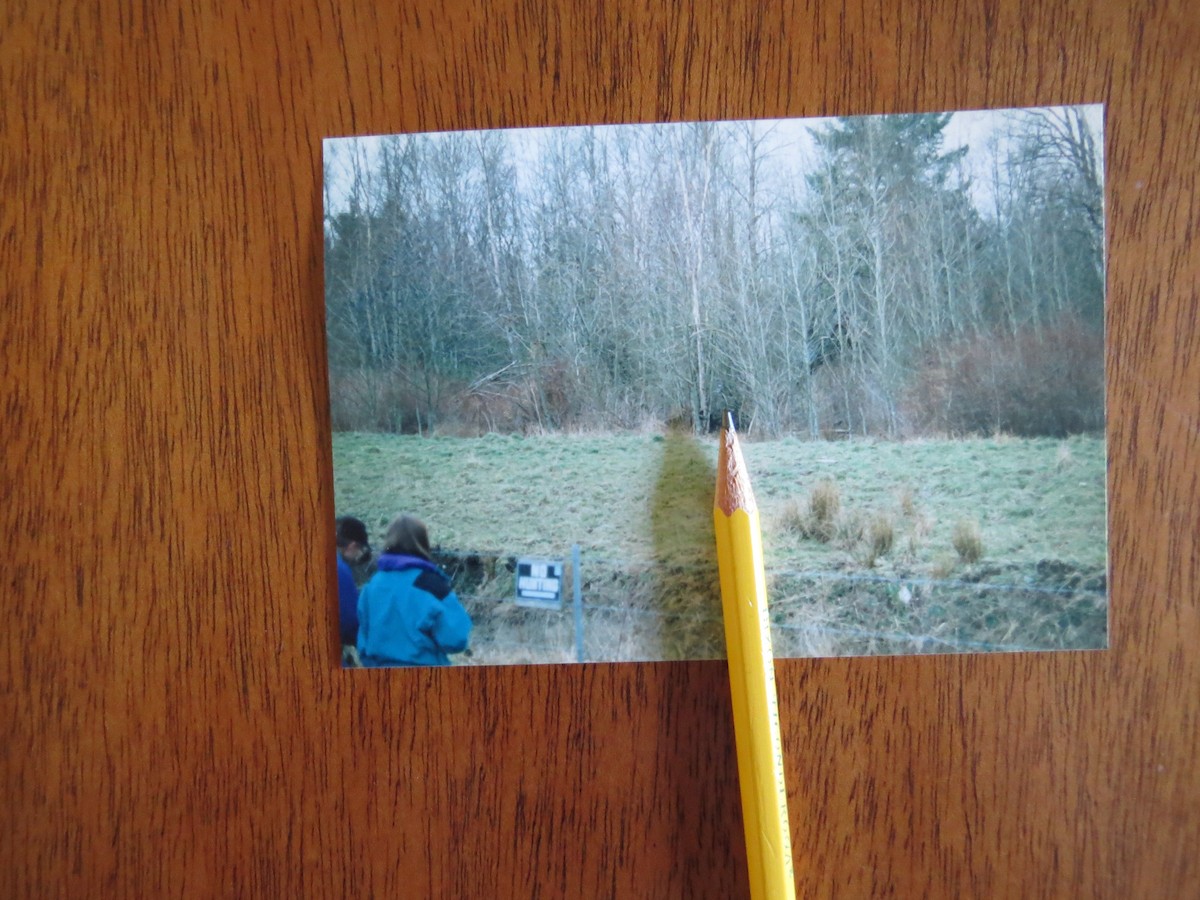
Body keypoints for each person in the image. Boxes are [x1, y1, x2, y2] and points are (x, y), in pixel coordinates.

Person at [356, 514, 473, 667]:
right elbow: (456, 639)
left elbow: (362, 642)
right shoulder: (431, 584)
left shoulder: (372, 585)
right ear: (423, 542)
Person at [335, 516, 372, 666]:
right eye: (359, 550)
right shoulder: (339, 569)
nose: (357, 557)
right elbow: (350, 621)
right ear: (352, 546)